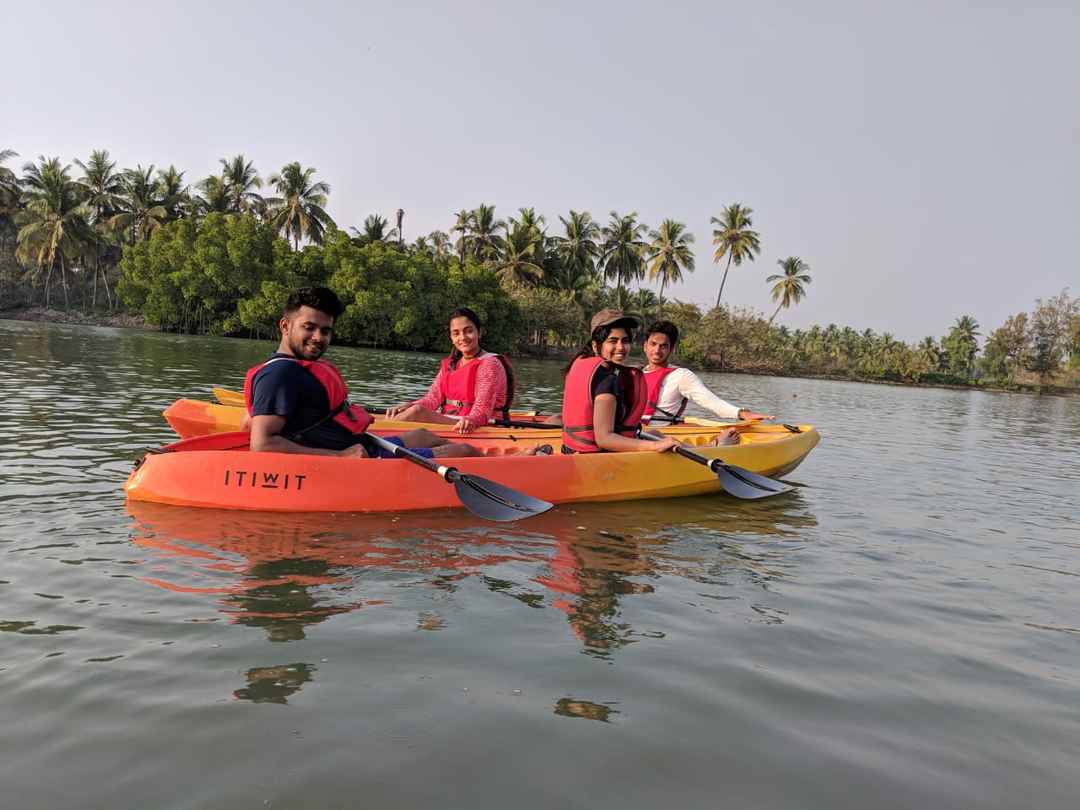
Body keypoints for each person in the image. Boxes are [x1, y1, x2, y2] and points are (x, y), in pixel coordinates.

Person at [246, 286, 480, 458]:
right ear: (285, 326)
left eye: (325, 331)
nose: (318, 338)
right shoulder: (279, 375)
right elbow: (263, 444)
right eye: (309, 328)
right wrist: (339, 457)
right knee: (465, 451)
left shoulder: (296, 369)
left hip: (360, 445)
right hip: (354, 459)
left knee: (423, 434)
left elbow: (253, 421)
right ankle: (509, 471)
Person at [560, 309, 681, 454]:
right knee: (659, 441)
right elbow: (604, 439)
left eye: (625, 341)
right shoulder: (607, 381)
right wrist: (654, 447)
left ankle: (709, 447)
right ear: (595, 345)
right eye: (613, 341)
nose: (621, 348)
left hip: (571, 449)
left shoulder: (581, 364)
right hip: (596, 459)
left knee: (656, 434)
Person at [384, 307, 514, 434]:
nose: (462, 337)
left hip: (478, 424)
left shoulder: (490, 364)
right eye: (456, 333)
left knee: (418, 412)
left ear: (479, 332)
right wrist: (409, 405)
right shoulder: (451, 364)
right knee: (414, 409)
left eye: (468, 331)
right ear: (451, 337)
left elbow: (482, 412)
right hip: (452, 420)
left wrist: (470, 420)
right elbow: (432, 399)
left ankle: (381, 436)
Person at [642, 320, 773, 444]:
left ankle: (716, 444)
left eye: (663, 346)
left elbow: (711, 401)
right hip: (636, 433)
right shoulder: (636, 375)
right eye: (653, 344)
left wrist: (741, 413)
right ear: (645, 346)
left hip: (660, 435)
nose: (657, 351)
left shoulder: (681, 375)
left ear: (671, 350)